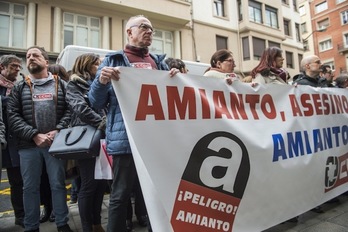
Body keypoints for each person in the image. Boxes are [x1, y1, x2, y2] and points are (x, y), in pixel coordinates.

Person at [88, 15, 178, 232]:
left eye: (152, 29)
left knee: (156, 193)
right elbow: (95, 102)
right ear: (129, 32)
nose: (149, 31)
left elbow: (171, 99)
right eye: (144, 27)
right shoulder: (112, 60)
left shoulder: (159, 62)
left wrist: (175, 79)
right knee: (120, 194)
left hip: (155, 140)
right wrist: (101, 82)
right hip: (125, 139)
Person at [7, 46, 73, 232]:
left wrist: (58, 130)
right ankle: (31, 226)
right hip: (28, 145)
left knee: (58, 184)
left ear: (46, 61)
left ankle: (62, 223)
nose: (30, 58)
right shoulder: (19, 87)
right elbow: (12, 116)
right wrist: (34, 135)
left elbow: (71, 109)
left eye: (35, 55)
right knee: (30, 188)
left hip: (56, 144)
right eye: (28, 56)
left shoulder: (62, 85)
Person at [65, 53, 108, 232]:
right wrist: (102, 122)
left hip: (103, 136)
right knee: (88, 184)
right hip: (88, 137)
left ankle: (97, 223)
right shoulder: (74, 84)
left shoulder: (100, 84)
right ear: (85, 65)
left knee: (100, 184)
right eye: (96, 64)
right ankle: (86, 227)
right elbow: (80, 108)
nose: (99, 67)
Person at [39, 64, 71, 224]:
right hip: (39, 141)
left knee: (58, 180)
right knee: (43, 180)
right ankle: (48, 208)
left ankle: (59, 213)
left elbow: (68, 110)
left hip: (61, 139)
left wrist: (58, 129)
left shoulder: (64, 88)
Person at [0, 54, 25, 228]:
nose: (17, 69)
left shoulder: (18, 88)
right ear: (2, 67)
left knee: (17, 182)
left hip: (14, 143)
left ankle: (20, 216)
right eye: (14, 66)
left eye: (19, 66)